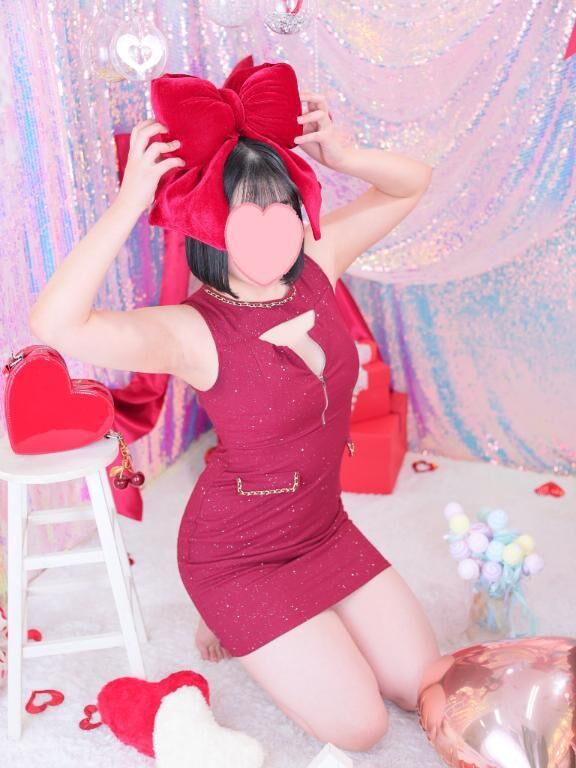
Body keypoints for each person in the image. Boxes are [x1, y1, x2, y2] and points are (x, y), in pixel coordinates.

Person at [29, 82, 441, 752]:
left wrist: (347, 156)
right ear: (207, 225)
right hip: (238, 555)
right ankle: (233, 619)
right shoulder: (193, 331)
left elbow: (410, 185)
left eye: (283, 208)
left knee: (423, 682)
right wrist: (130, 204)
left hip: (323, 527)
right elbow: (55, 322)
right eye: (250, 216)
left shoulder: (316, 265)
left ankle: (288, 630)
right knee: (361, 727)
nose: (273, 229)